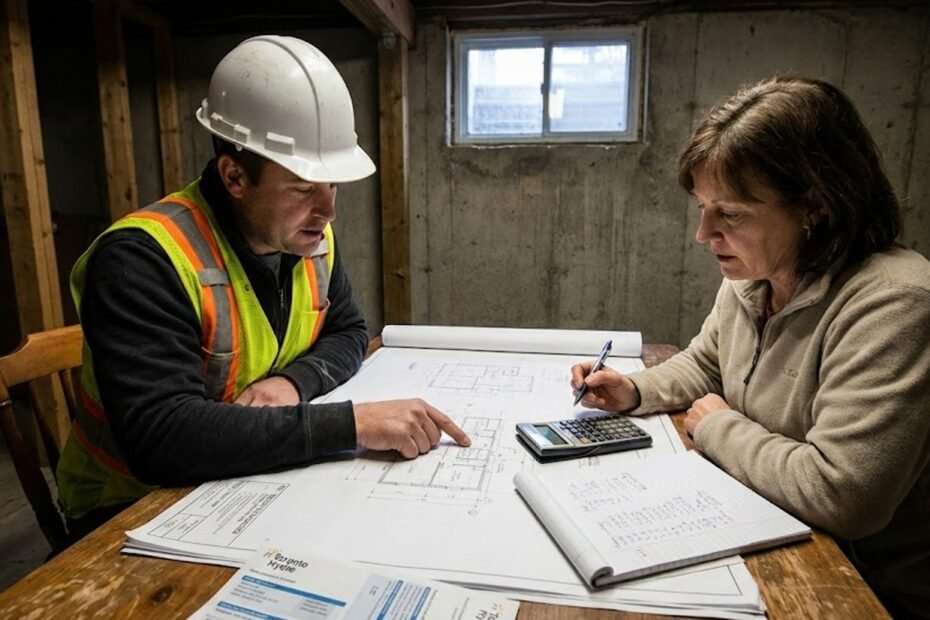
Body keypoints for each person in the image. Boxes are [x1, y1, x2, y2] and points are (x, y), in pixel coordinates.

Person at [56, 35, 470, 539]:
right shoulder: (142, 259)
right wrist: (352, 424)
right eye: (302, 189)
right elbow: (161, 439)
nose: (328, 211)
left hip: (243, 481)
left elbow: (348, 332)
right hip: (131, 512)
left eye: (332, 185)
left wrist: (293, 384)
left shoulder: (308, 236)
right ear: (234, 176)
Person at [571, 76, 930, 618]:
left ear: (815, 205)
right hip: (768, 517)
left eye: (731, 214)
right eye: (702, 208)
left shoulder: (897, 304)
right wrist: (633, 390)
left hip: (863, 583)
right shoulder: (753, 276)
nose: (703, 234)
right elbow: (708, 363)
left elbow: (842, 495)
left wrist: (716, 427)